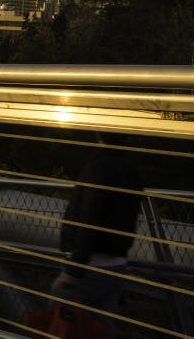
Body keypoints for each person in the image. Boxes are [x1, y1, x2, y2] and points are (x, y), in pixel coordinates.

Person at [52, 137, 141, 338]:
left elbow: (88, 219)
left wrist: (74, 271)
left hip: (92, 264)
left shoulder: (97, 168)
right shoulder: (131, 170)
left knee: (60, 318)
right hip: (117, 264)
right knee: (102, 328)